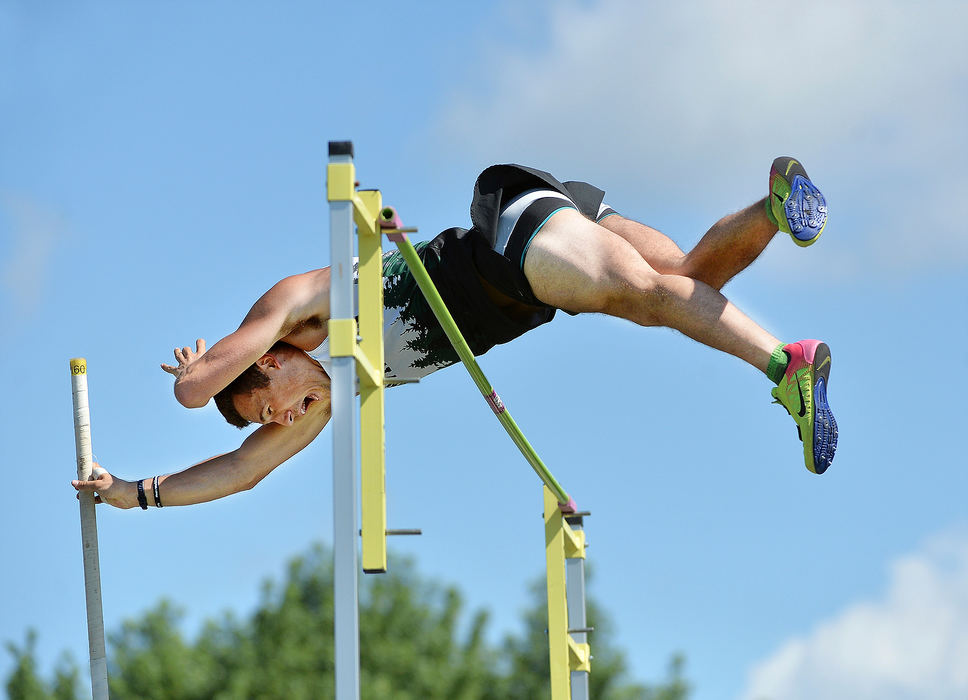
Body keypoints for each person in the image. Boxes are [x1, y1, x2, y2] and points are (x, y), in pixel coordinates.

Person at [73, 157, 838, 510]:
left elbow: (191, 392)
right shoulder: (336, 393)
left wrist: (195, 373)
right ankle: (775, 206)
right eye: (267, 425)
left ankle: (786, 365)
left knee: (644, 297)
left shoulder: (304, 306)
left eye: (264, 404)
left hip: (506, 230)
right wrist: (136, 495)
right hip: (539, 276)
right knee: (691, 281)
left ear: (272, 360)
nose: (279, 422)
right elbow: (239, 474)